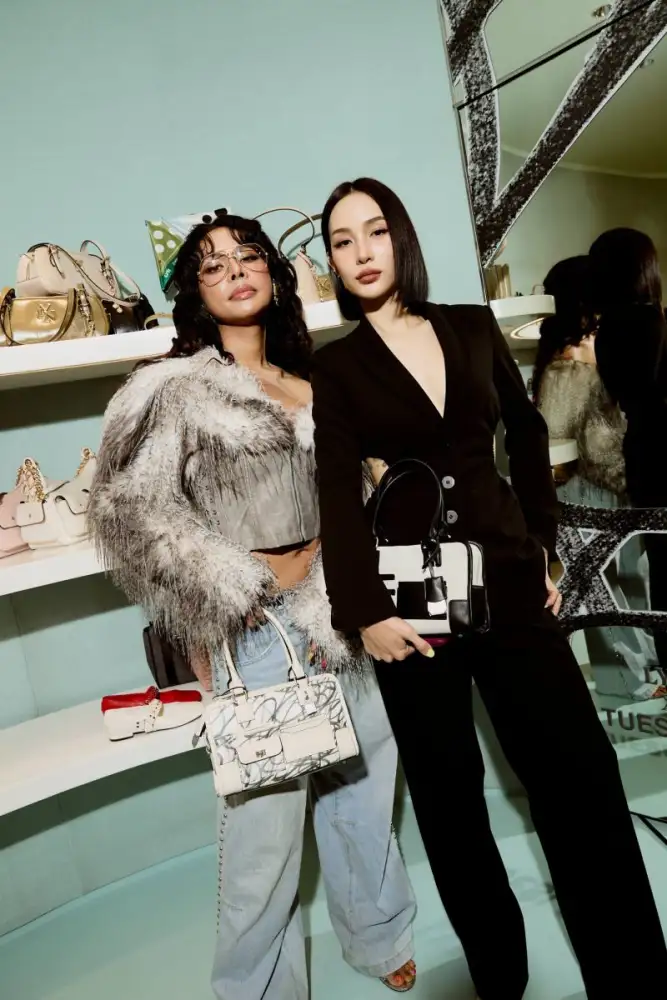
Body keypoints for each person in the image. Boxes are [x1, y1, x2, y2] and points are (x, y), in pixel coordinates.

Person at [310, 177, 667, 1000]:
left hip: (507, 582)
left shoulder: (470, 327)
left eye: (374, 231)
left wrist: (540, 545)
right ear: (331, 262)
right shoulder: (338, 367)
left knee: (580, 780)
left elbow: (528, 430)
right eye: (341, 241)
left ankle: (636, 980)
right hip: (410, 609)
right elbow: (332, 489)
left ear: (401, 238)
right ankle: (500, 983)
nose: (361, 252)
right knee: (451, 808)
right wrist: (362, 612)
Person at [88, 214, 417, 999]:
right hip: (257, 630)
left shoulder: (316, 382)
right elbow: (129, 512)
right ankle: (258, 989)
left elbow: (354, 497)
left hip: (342, 615)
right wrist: (229, 587)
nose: (235, 271)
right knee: (262, 843)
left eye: (247, 256)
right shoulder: (175, 389)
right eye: (212, 265)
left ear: (273, 272)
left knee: (364, 791)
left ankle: (377, 935)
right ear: (195, 292)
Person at [535, 254, 665, 703]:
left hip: (609, 488)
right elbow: (558, 441)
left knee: (627, 584)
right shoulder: (566, 365)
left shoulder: (586, 353)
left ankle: (638, 675)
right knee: (605, 590)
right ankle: (628, 682)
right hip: (588, 490)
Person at [590, 227, 667, 673]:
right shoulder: (653, 320)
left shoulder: (611, 331)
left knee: (661, 566)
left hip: (646, 455)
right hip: (658, 449)